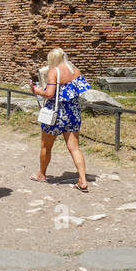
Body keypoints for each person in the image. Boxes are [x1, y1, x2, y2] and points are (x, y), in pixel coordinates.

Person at [30, 47, 91, 192]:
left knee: (46, 146)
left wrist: (37, 91)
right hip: (73, 112)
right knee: (74, 148)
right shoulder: (75, 71)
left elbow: (49, 94)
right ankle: (82, 179)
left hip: (56, 114)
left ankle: (42, 174)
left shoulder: (54, 71)